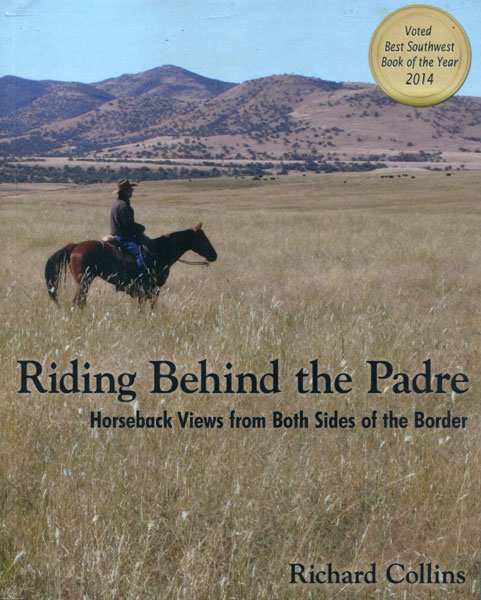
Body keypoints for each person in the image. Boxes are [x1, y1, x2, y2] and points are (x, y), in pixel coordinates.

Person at [110, 179, 149, 285]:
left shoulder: (117, 204)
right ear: (125, 191)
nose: (132, 190)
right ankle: (139, 283)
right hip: (124, 238)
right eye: (130, 189)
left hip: (118, 236)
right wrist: (140, 228)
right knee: (142, 255)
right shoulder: (123, 206)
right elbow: (129, 226)